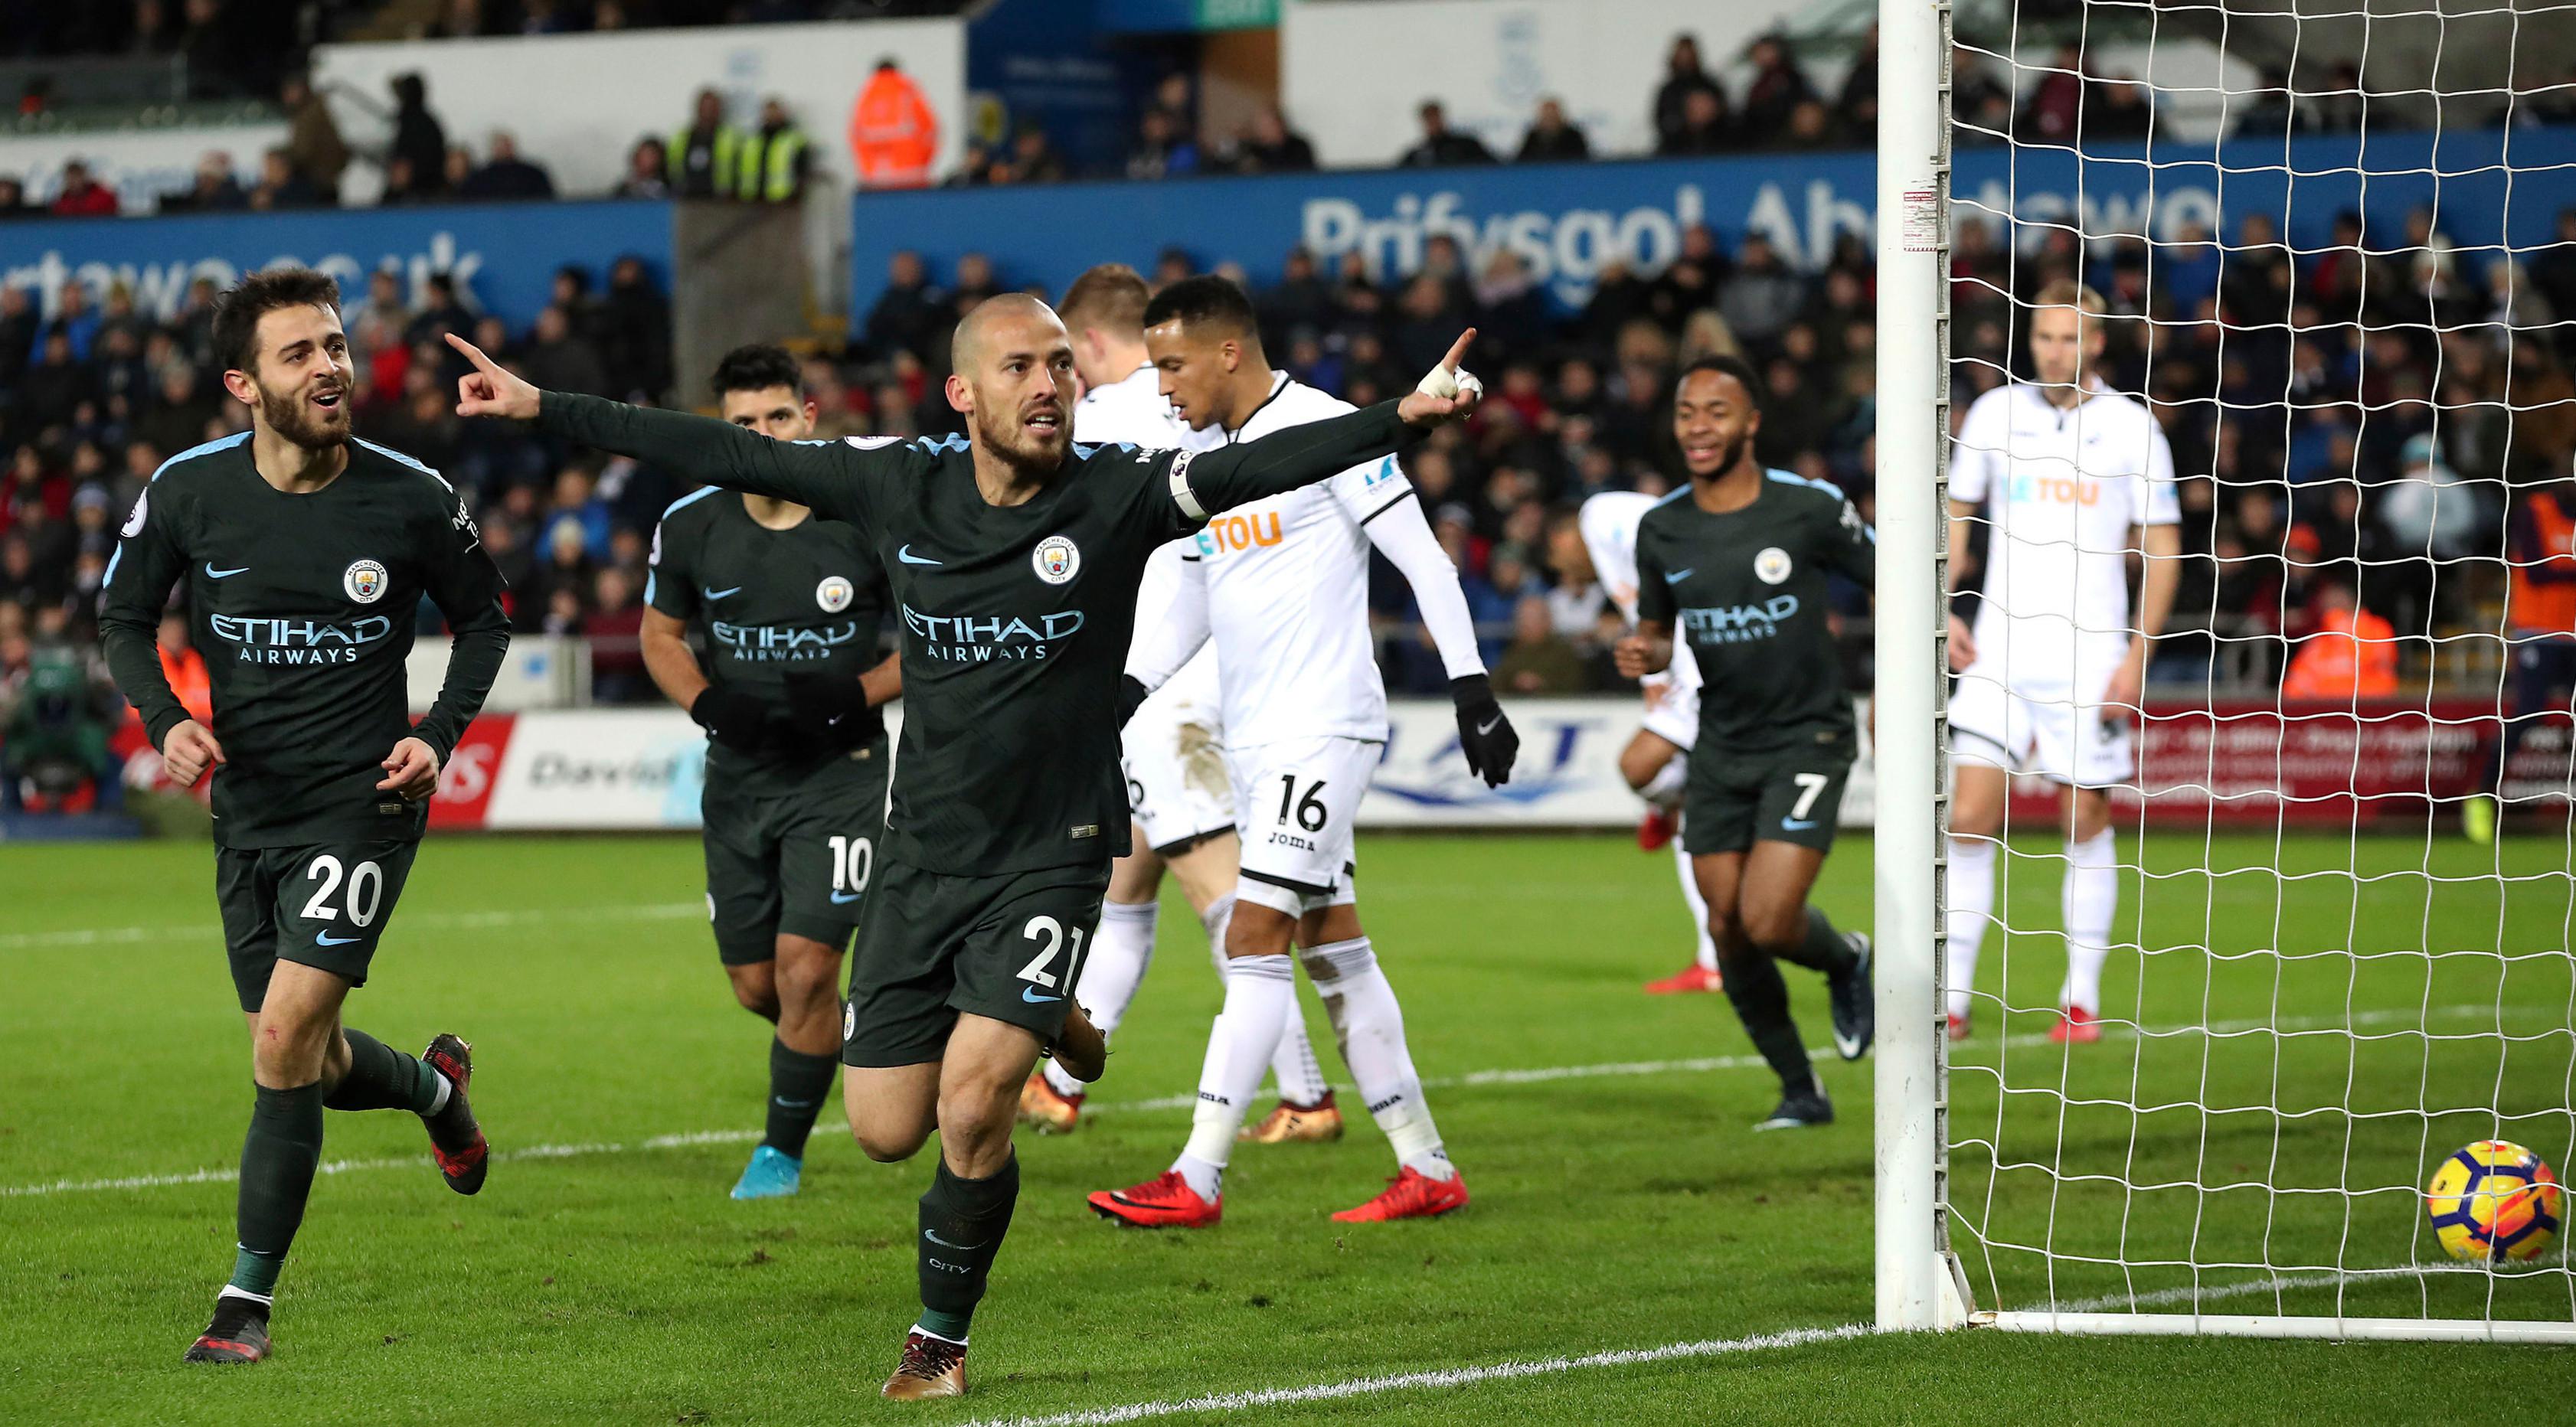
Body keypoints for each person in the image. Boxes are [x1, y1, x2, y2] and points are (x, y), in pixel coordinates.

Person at [443, 294, 1483, 1400]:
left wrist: (1399, 416)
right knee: (886, 1127)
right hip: (926, 854)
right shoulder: (902, 488)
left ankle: (939, 1339)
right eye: (1020, 368)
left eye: (1059, 365)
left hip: (1057, 848)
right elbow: (716, 445)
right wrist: (542, 405)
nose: (1049, 384)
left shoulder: (1119, 491)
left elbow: (1260, 468)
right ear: (963, 394)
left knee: (974, 1102)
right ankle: (1057, 1018)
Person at [95, 268, 512, 1363]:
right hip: (252, 808)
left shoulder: (410, 494)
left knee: (280, 1045)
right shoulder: (189, 491)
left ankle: (244, 1306)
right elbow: (124, 618)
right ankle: (435, 1093)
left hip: (362, 802)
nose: (330, 365)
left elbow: (486, 622)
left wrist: (441, 734)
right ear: (243, 383)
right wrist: (163, 718)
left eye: (335, 345)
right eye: (300, 353)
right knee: (311, 1064)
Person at [1090, 276, 1517, 1228]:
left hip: (1323, 726)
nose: (1161, 387)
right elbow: (1196, 596)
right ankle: (1425, 1165)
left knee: (1250, 937)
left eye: (1170, 365)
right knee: (1337, 949)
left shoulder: (1330, 430)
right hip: (1256, 734)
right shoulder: (1206, 455)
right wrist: (1124, 692)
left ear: (1228, 352)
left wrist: (1471, 688)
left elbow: (1425, 562)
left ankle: (1195, 1176)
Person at [1018, 266, 1338, 1141]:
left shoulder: (1112, 411)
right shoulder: (1207, 406)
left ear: (1084, 347)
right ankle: (1058, 1087)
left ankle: (1307, 1097)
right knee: (1121, 898)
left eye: (1057, 363)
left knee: (1234, 909)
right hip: (1198, 686)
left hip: (1166, 706)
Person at [639, 345, 900, 1198]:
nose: (761, 435)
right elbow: (659, 636)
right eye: (744, 423)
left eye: (777, 417)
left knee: (805, 970)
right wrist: (711, 707)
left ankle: (779, 1154)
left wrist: (856, 694)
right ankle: (859, 1028)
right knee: (761, 986)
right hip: (740, 776)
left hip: (842, 772)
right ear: (723, 430)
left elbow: (938, 633)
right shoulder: (690, 523)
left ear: (808, 418)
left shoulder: (863, 516)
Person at [1613, 357, 1879, 1131]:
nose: (1698, 425)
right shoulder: (1661, 528)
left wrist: (1915, 665)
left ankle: (1846, 958)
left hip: (1808, 734)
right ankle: (1800, 1089)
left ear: (1751, 422)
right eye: (1686, 410)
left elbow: (1893, 580)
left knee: (1766, 918)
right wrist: (1644, 653)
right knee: (1726, 924)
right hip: (1721, 744)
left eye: (1716, 411)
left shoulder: (1808, 509)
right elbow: (1659, 636)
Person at [1943, 280, 2182, 1044]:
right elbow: (1957, 517)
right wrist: (1939, 607)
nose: (2054, 350)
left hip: (2090, 655)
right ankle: (1950, 1002)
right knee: (1969, 816)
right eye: (2044, 337)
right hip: (1999, 649)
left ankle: (2079, 1001)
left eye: (2069, 338)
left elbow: (2163, 546)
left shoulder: (2132, 427)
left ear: (2096, 343)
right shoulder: (1993, 414)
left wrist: (2138, 651)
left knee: (2082, 818)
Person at [1578, 488, 1721, 995]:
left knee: (1641, 768)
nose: (1560, 568)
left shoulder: (1600, 518)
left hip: (1706, 665)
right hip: (1682, 667)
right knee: (1676, 798)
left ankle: (1719, 959)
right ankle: (1713, 961)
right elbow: (1647, 612)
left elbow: (1660, 526)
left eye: (1556, 554)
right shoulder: (1616, 567)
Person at [850, 58, 940, 190]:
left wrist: (867, 168)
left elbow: (856, 137)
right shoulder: (908, 94)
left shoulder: (866, 99)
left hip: (875, 179)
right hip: (911, 176)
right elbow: (930, 132)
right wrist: (923, 163)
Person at [671, 87, 741, 201]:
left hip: (721, 200)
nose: (708, 112)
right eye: (705, 107)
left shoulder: (731, 138)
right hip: (687, 199)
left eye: (712, 108)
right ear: (697, 108)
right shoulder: (682, 137)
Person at [737, 97, 810, 203]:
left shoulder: (794, 140)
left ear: (782, 113)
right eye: (768, 112)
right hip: (751, 198)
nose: (771, 116)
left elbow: (802, 172)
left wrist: (796, 197)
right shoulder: (752, 140)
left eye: (775, 112)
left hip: (782, 200)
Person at [1398, 100, 1496, 167]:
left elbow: (1494, 167)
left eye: (1435, 117)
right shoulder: (1417, 154)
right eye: (1429, 118)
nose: (1433, 122)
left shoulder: (1467, 145)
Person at [1515, 96, 1590, 162]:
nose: (1550, 118)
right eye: (1547, 115)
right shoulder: (1533, 137)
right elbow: (1522, 161)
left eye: (1552, 115)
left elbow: (1582, 160)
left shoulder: (1573, 136)